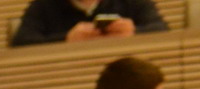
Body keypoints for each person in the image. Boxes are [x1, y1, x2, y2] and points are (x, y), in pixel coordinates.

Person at [12, 0, 166, 45]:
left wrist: (133, 32)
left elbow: (162, 30)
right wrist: (66, 39)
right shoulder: (44, 5)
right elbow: (22, 42)